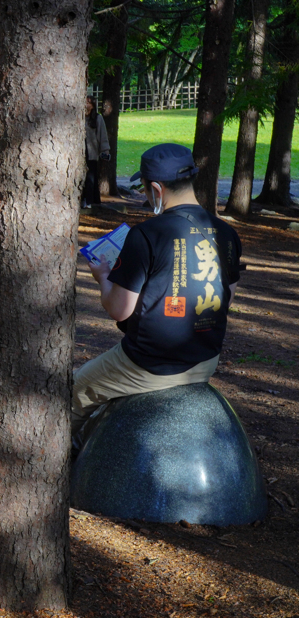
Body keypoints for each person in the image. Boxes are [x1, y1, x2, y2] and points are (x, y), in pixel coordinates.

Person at [73, 144, 242, 445]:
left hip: (149, 363)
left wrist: (102, 277)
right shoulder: (226, 233)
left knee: (72, 393)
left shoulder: (147, 234)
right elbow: (225, 299)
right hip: (205, 358)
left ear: (156, 188)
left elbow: (119, 310)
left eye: (145, 190)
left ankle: (71, 468)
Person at [83, 96, 110, 210]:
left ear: (93, 105)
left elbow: (103, 136)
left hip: (92, 153)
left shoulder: (98, 119)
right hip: (80, 154)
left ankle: (89, 201)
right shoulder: (79, 117)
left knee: (90, 178)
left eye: (88, 103)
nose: (86, 104)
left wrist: (105, 151)